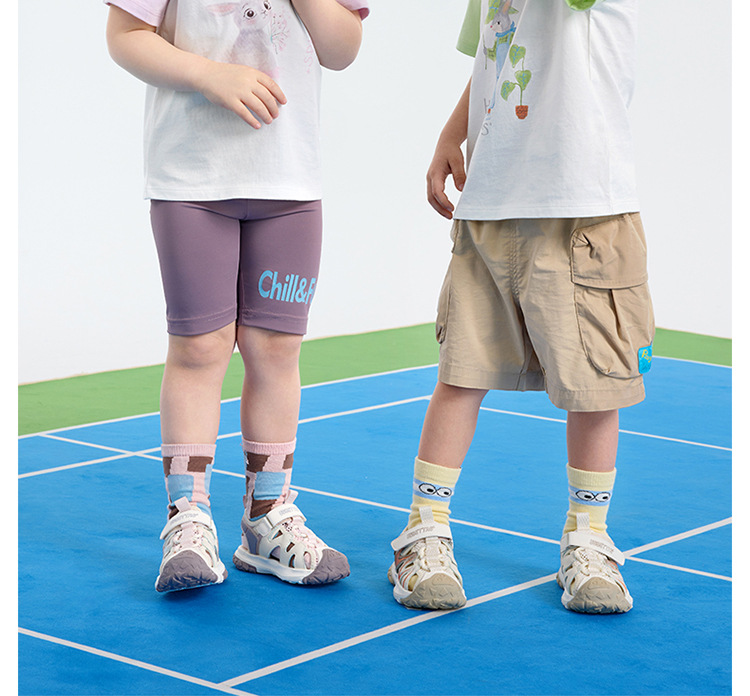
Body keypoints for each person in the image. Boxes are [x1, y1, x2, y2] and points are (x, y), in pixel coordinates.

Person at [388, 0, 653, 614]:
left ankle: (588, 537)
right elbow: (496, 55)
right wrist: (452, 132)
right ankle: (424, 528)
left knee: (595, 389)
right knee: (460, 374)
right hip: (490, 204)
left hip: (583, 207)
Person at [104, 0, 369, 592]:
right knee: (200, 348)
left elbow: (343, 49)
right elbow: (125, 36)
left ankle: (266, 517)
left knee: (276, 349)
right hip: (191, 181)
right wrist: (208, 74)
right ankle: (188, 517)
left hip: (289, 184)